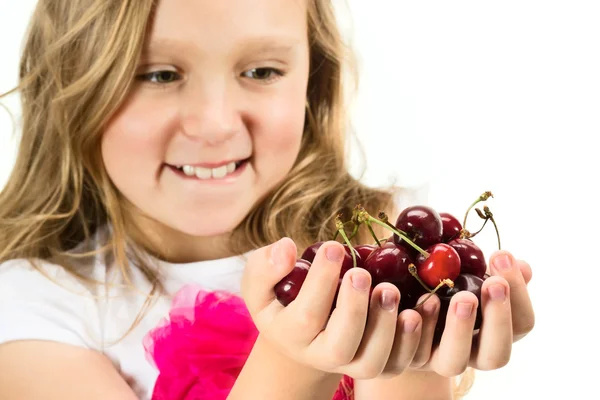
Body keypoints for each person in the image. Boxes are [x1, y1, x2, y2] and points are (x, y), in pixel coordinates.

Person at [0, 0, 535, 399]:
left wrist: (416, 356)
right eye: (160, 75)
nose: (215, 124)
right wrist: (292, 361)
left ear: (312, 82)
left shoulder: (377, 239)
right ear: (71, 86)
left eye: (261, 72)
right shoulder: (33, 306)